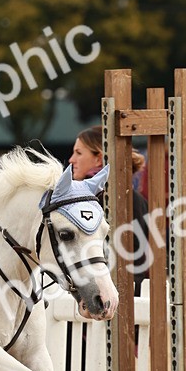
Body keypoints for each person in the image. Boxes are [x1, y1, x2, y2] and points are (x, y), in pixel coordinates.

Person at [69, 125, 150, 295]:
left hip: (114, 295)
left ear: (98, 159)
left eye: (79, 153)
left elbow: (134, 257)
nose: (71, 159)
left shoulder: (118, 198)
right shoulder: (130, 197)